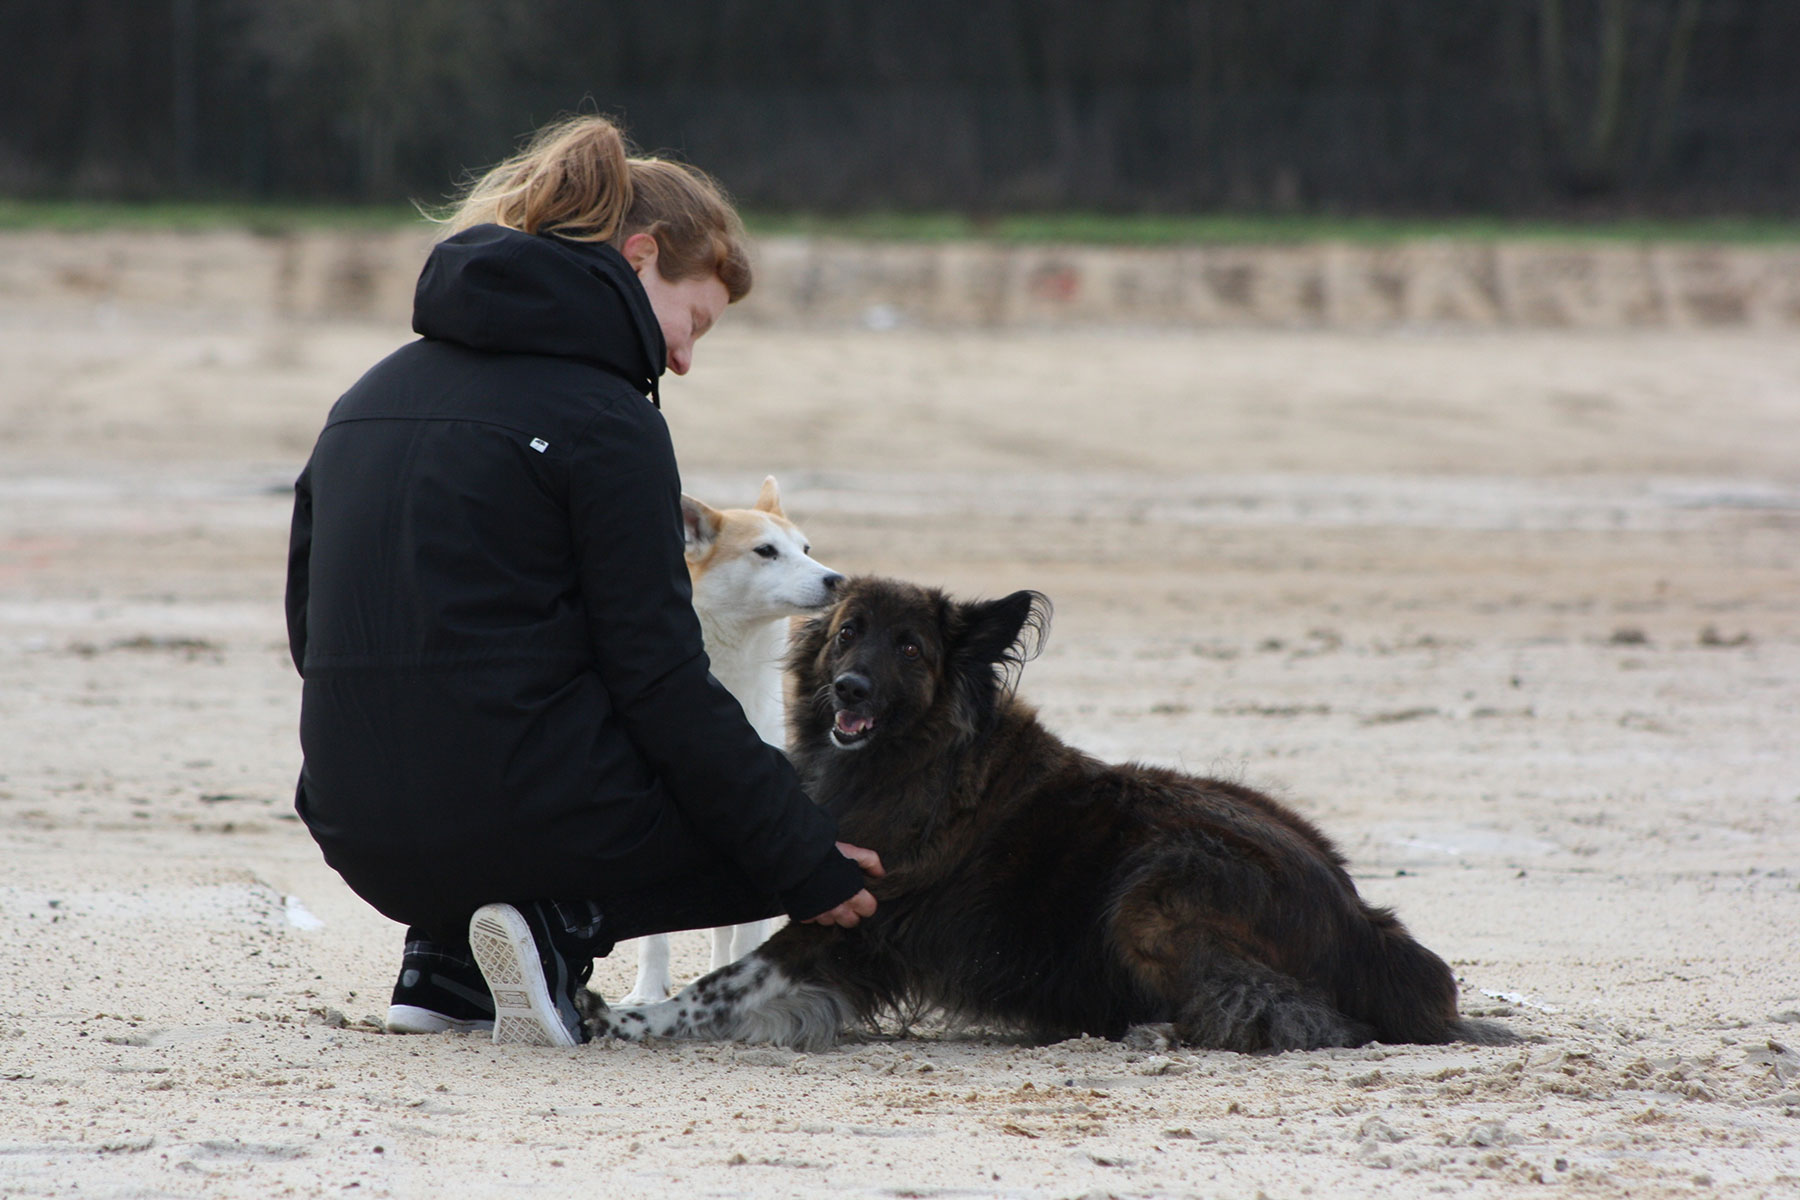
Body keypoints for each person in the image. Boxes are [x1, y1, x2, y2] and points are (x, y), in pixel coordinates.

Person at [284, 114, 880, 1047]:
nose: (683, 357)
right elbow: (660, 680)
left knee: (497, 715)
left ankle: (445, 961)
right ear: (640, 258)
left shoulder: (363, 400)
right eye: (694, 320)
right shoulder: (609, 422)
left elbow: (308, 633)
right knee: (796, 831)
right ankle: (558, 927)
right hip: (519, 817)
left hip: (353, 825)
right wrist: (800, 856)